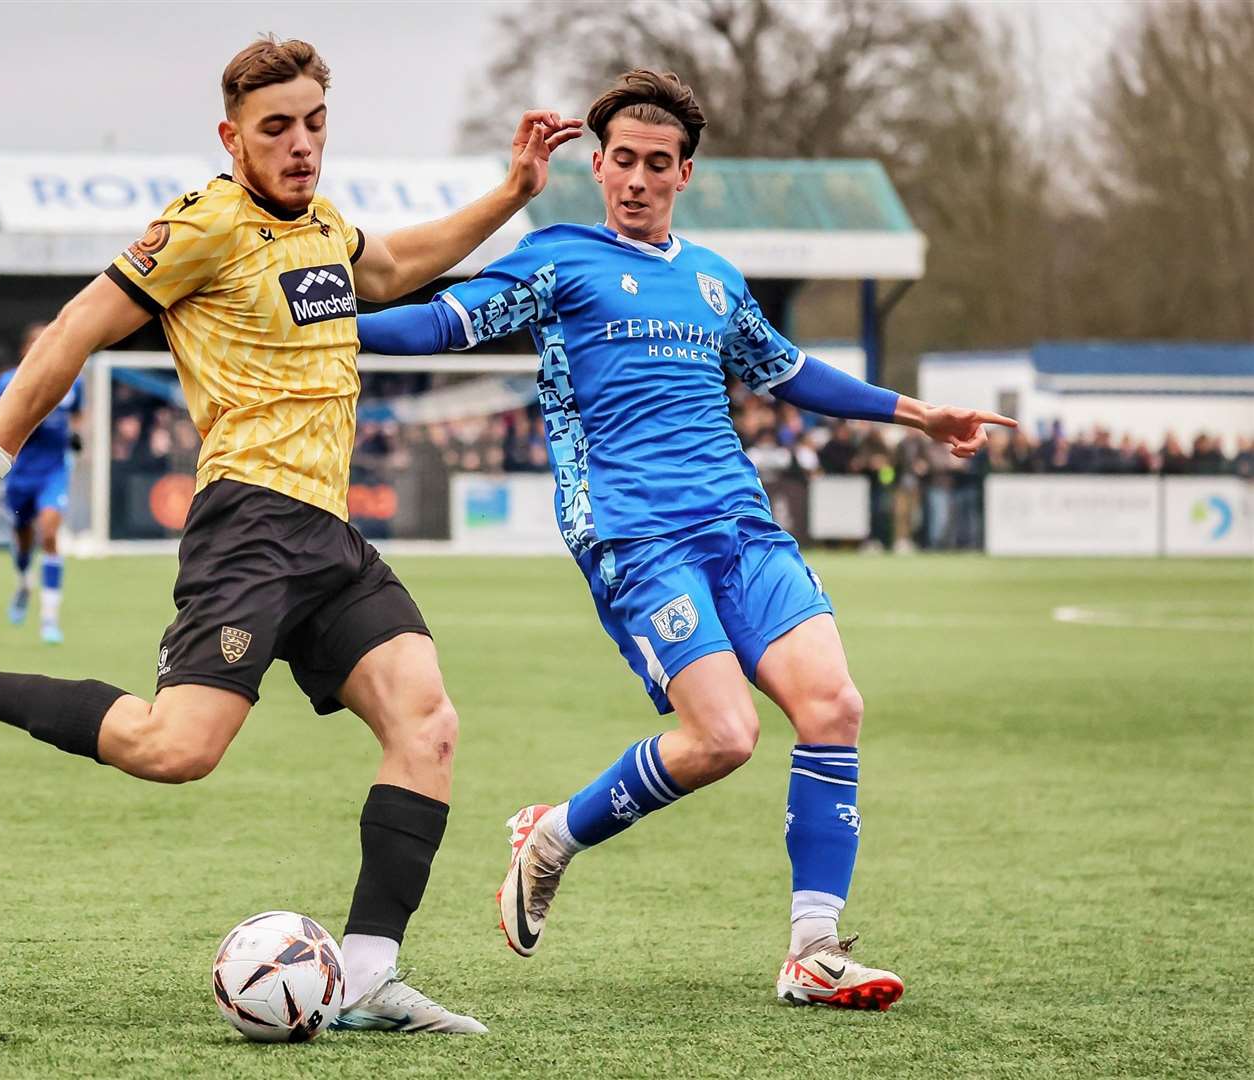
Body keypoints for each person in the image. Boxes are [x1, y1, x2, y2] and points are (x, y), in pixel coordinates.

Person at [0, 35, 580, 1035]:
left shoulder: (325, 226)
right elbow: (79, 326)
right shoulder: (199, 226)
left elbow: (394, 265)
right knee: (174, 749)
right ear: (231, 137)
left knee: (425, 724)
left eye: (312, 124)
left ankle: (363, 976)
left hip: (327, 537)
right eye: (275, 129)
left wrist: (514, 189)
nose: (300, 145)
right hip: (248, 527)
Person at [358, 68, 1015, 1012]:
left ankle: (813, 950)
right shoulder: (558, 259)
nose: (635, 177)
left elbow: (786, 371)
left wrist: (916, 414)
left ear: (685, 173)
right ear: (596, 162)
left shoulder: (714, 279)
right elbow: (440, 321)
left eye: (655, 164)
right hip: (635, 536)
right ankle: (552, 836)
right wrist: (325, 324)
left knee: (833, 704)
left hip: (742, 528)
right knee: (724, 736)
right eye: (620, 159)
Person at [0, 322, 81, 643]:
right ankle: (24, 582)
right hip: (20, 473)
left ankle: (49, 619)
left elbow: (78, 416)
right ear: (26, 350)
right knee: (24, 539)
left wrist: (76, 438)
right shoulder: (7, 382)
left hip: (53, 472)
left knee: (50, 534)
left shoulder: (72, 380)